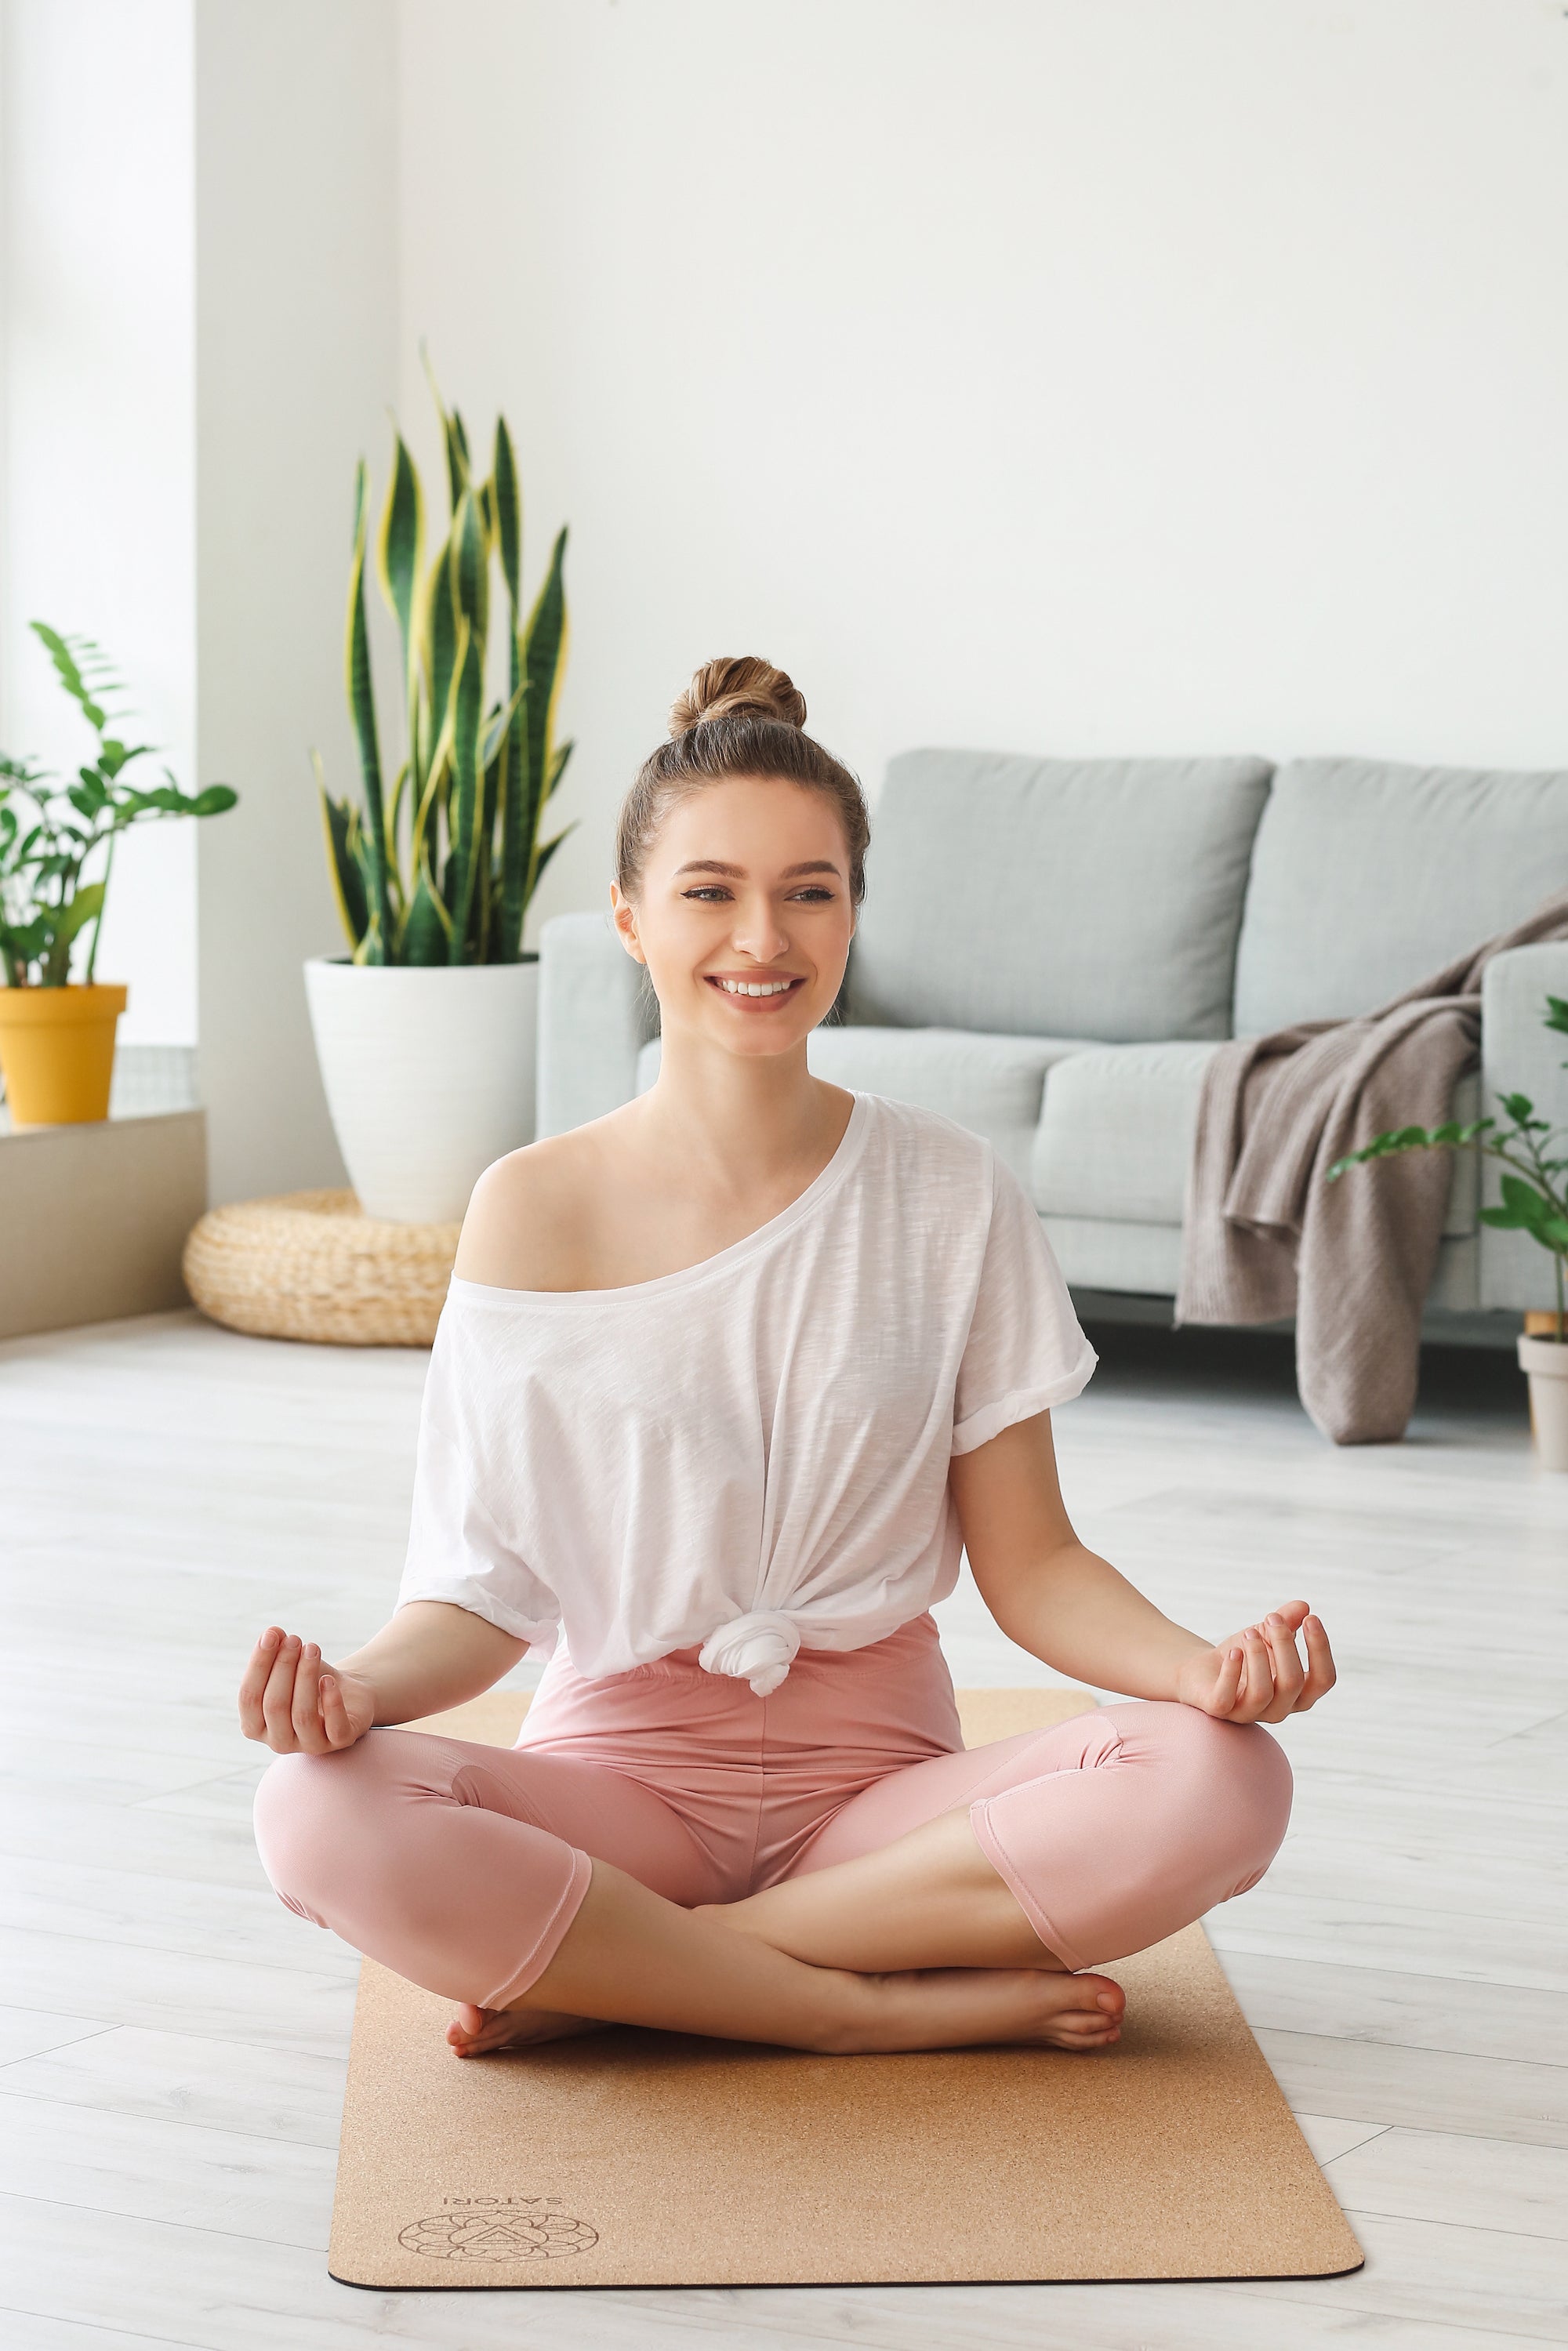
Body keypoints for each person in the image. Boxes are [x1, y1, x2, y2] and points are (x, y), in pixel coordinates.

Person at [247, 657, 1334, 2064]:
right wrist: (354, 1696)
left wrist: (1203, 1674)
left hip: (880, 1799)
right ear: (632, 921)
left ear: (852, 916)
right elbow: (481, 1594)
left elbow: (1036, 1566)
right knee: (314, 1807)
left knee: (1222, 1781)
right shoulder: (534, 1205)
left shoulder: (952, 1190)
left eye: (808, 890)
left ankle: (639, 1974)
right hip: (620, 1790)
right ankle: (840, 2006)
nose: (762, 936)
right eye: (710, 891)